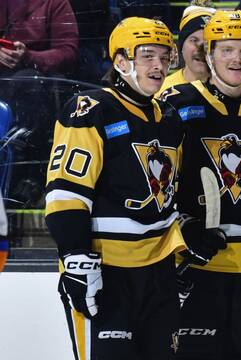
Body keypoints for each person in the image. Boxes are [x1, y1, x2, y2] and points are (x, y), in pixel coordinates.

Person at [45, 17, 195, 360]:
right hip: (106, 271)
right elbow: (65, 195)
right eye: (147, 56)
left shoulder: (170, 118)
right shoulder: (90, 110)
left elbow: (167, 198)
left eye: (163, 56)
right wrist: (77, 260)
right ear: (121, 61)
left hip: (158, 274)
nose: (158, 66)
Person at [160, 10, 241, 360]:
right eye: (227, 50)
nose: (237, 59)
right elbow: (159, 180)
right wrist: (184, 226)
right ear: (209, 54)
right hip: (200, 264)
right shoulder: (177, 103)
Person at [0, 0, 80, 208]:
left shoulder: (56, 3)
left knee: (28, 81)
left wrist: (29, 56)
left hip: (35, 80)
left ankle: (28, 179)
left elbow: (68, 52)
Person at [157, 1, 216, 94]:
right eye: (194, 40)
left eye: (207, 42)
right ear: (182, 47)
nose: (201, 49)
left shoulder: (236, 90)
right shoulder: (161, 91)